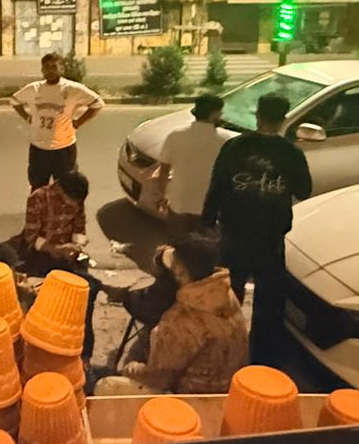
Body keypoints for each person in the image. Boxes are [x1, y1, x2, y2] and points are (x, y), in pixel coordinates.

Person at [203, 93, 312, 368]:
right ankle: (262, 357)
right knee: (269, 299)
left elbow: (217, 186)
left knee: (228, 292)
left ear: (257, 116)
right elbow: (304, 190)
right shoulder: (291, 153)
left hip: (234, 233)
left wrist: (207, 221)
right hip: (270, 236)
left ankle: (225, 344)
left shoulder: (235, 147)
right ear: (283, 119)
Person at [116, 236, 247, 394]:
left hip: (191, 396)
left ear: (181, 272)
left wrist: (129, 368)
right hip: (229, 384)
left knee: (107, 384)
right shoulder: (223, 291)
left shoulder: (179, 320)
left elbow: (158, 379)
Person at [11, 170, 106, 362]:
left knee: (84, 296)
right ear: (61, 191)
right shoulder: (38, 198)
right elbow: (31, 236)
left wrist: (76, 246)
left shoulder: (77, 199)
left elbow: (79, 227)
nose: (75, 206)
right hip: (42, 252)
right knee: (47, 298)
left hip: (68, 252)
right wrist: (55, 249)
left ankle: (84, 353)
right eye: (72, 201)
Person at [12, 53, 104, 187]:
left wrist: (78, 122)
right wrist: (27, 116)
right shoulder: (33, 88)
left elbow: (97, 104)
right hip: (39, 148)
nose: (50, 71)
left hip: (63, 149)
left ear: (62, 69)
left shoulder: (72, 89)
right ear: (42, 70)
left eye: (54, 67)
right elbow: (15, 101)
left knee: (64, 188)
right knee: (38, 188)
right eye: (46, 67)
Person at [158, 94, 227, 235]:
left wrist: (163, 194)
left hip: (178, 202)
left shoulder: (176, 135)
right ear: (214, 114)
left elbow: (163, 169)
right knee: (203, 245)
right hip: (207, 206)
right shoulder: (223, 141)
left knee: (177, 244)